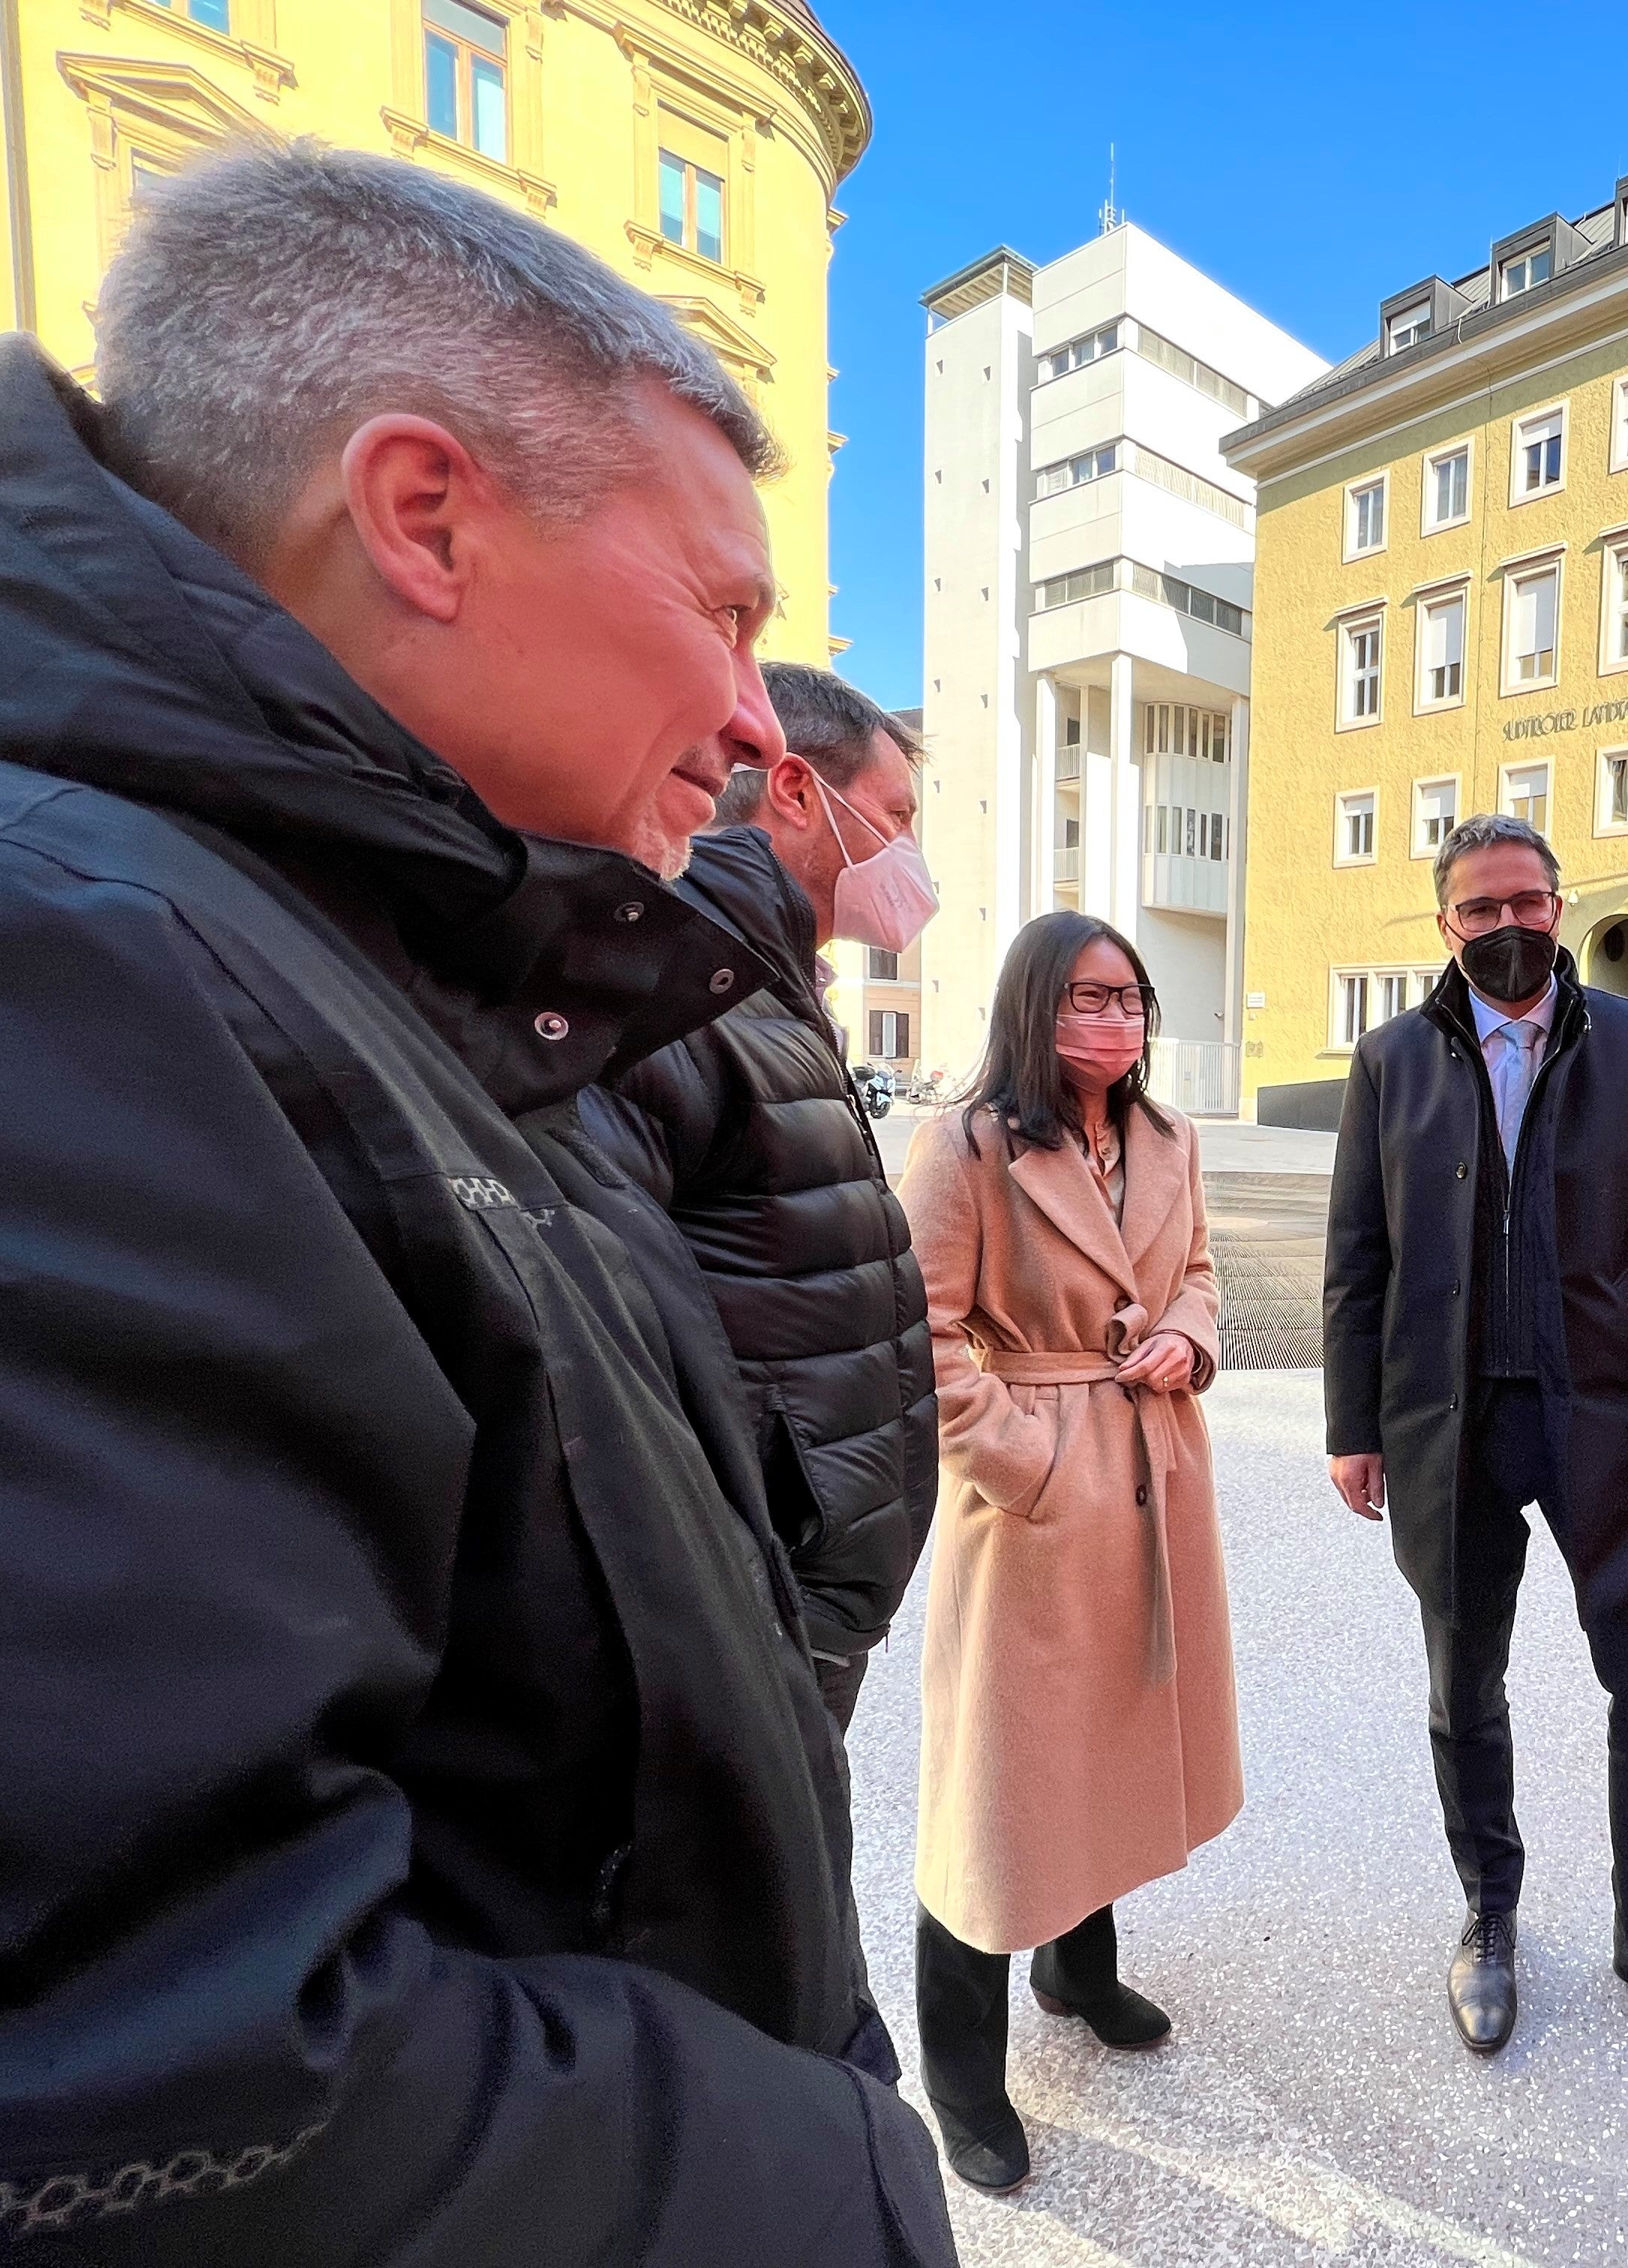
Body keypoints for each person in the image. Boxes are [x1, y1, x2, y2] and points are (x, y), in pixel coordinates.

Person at [0, 145, 951, 2260]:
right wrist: (840, 2176)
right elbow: (166, 2066)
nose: (740, 714)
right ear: (424, 514)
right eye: (720, 612)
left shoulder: (408, 956)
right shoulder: (84, 979)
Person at [1324, 812, 1628, 2057]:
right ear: (1445, 924)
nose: (1505, 926)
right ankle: (1489, 1913)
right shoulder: (1390, 1060)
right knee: (1461, 1678)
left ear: (1560, 907)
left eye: (1525, 902)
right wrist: (1351, 1425)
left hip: (1598, 1419)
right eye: (1479, 909)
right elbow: (1357, 1258)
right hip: (1448, 1420)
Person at [896, 912, 1241, 2194]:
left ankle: (1077, 1966)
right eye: (1090, 997)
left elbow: (1196, 1269)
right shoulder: (965, 1146)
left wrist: (1190, 1340)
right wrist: (1023, 1457)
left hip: (1153, 1472)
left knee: (1108, 1734)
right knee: (996, 1773)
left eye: (1132, 997)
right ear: (1034, 1006)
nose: (1118, 1019)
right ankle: (961, 2070)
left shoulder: (1165, 1136)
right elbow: (915, 1334)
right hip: (1036, 1500)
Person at [578, 662, 938, 1733]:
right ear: (793, 790)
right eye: (896, 816)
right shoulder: (681, 991)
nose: (909, 854)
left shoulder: (768, 988)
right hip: (752, 1599)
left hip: (806, 1586)